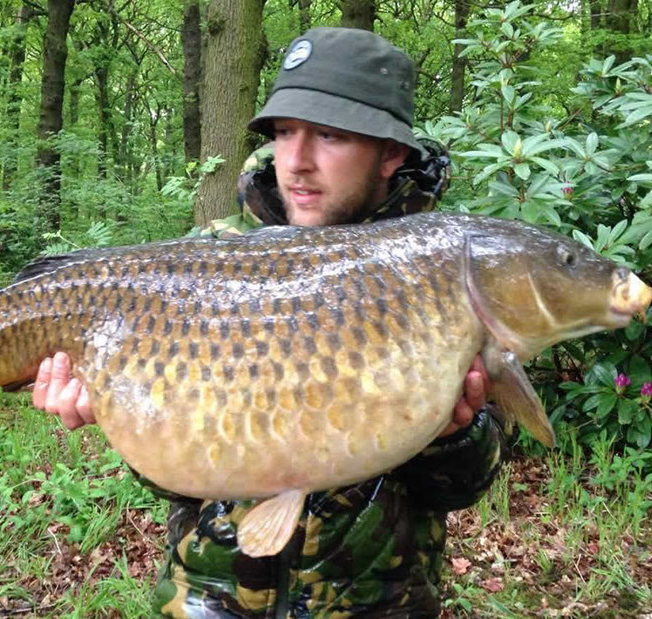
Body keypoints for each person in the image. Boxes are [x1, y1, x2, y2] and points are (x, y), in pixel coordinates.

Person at [33, 27, 509, 617]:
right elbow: (175, 482)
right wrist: (113, 409)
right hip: (210, 597)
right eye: (285, 133)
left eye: (329, 135)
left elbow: (463, 488)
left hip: (377, 601)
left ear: (391, 154)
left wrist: (451, 435)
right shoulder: (209, 257)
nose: (298, 162)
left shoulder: (448, 269)